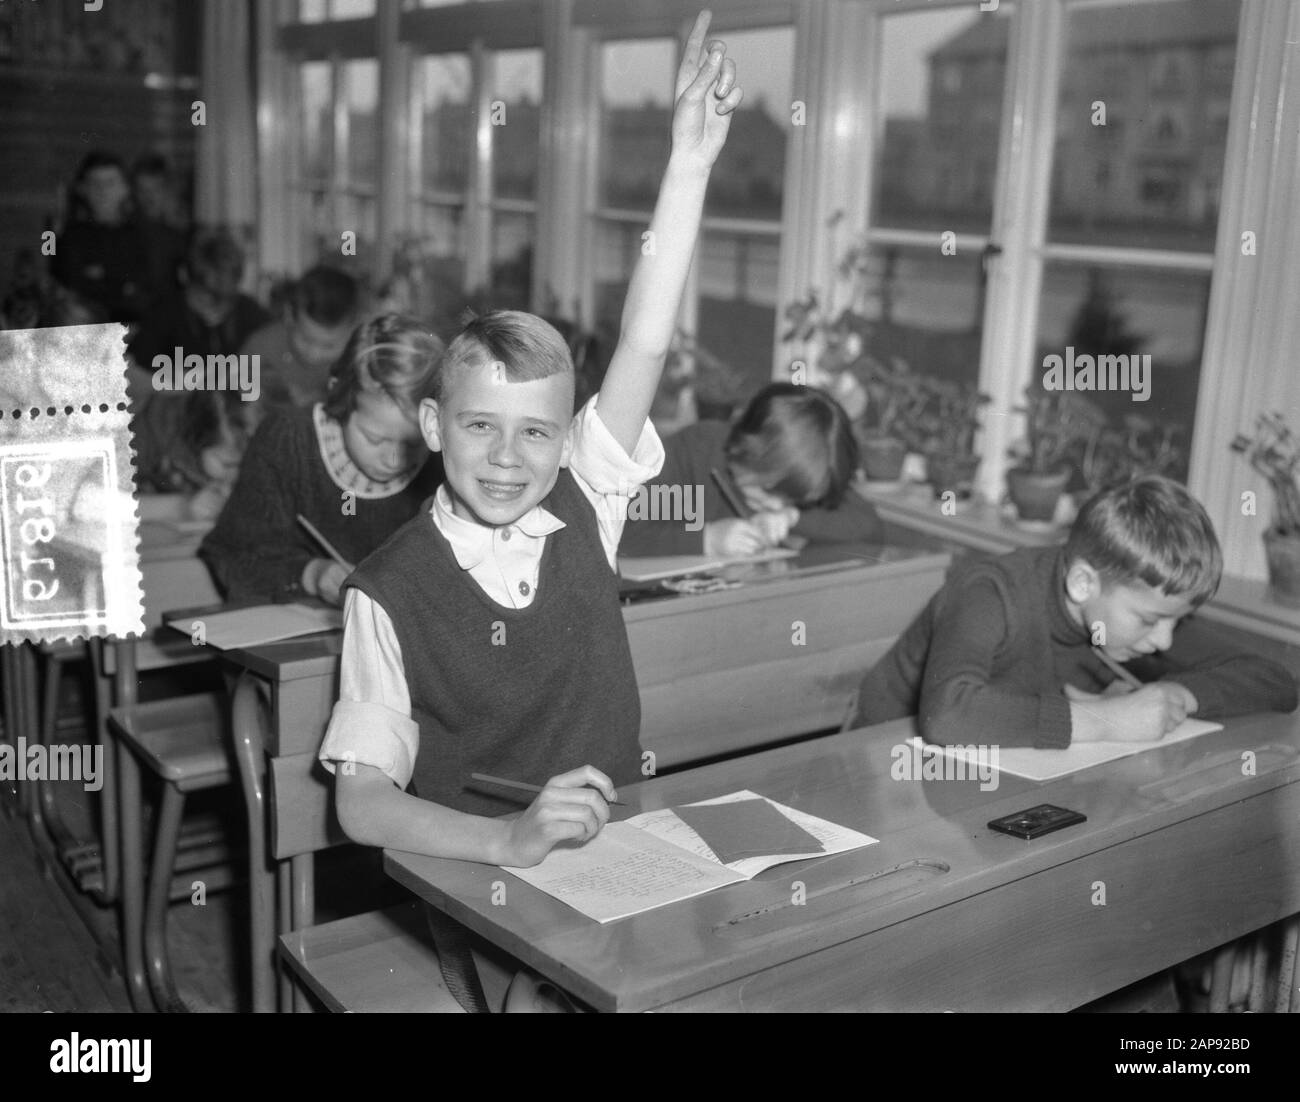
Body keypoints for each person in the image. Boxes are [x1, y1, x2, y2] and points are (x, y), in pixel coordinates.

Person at [318, 13, 742, 879]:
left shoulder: (587, 499)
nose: (510, 457)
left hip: (616, 854)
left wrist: (688, 166)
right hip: (473, 874)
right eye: (481, 425)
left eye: (538, 432)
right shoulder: (387, 593)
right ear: (435, 429)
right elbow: (360, 804)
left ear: (566, 441)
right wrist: (504, 842)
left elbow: (647, 343)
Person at [851, 475, 1298, 746]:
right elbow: (947, 715)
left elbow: (1275, 680)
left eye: (1175, 621)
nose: (1163, 640)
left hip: (1001, 761)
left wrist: (1171, 696)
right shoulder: (989, 590)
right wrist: (1108, 721)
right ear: (1083, 583)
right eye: (1149, 620)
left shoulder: (1136, 596)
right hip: (884, 758)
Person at [198, 314, 445, 604]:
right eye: (374, 439)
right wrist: (310, 574)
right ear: (341, 398)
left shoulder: (445, 458)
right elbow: (231, 554)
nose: (393, 461)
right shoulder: (288, 440)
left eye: (413, 445)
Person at [619, 381, 884, 557]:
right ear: (745, 451)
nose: (776, 506)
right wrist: (707, 540)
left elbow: (867, 523)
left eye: (792, 500)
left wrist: (793, 517)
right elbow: (620, 530)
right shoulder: (695, 453)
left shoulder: (793, 483)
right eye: (768, 491)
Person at [127, 227, 270, 494]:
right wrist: (188, 385)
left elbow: (269, 380)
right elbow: (130, 379)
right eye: (205, 298)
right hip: (172, 434)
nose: (215, 311)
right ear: (184, 277)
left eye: (226, 301)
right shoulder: (165, 314)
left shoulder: (251, 316)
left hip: (231, 436)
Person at [239, 265, 361, 412]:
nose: (314, 353)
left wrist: (319, 398)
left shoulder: (357, 361)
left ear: (353, 331)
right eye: (306, 340)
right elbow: (238, 402)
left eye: (329, 346)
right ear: (289, 316)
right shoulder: (260, 348)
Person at [49, 151, 152, 324]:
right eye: (94, 183)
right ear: (82, 189)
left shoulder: (144, 235)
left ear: (125, 188)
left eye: (110, 183)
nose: (102, 191)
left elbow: (144, 292)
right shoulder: (70, 236)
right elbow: (71, 285)